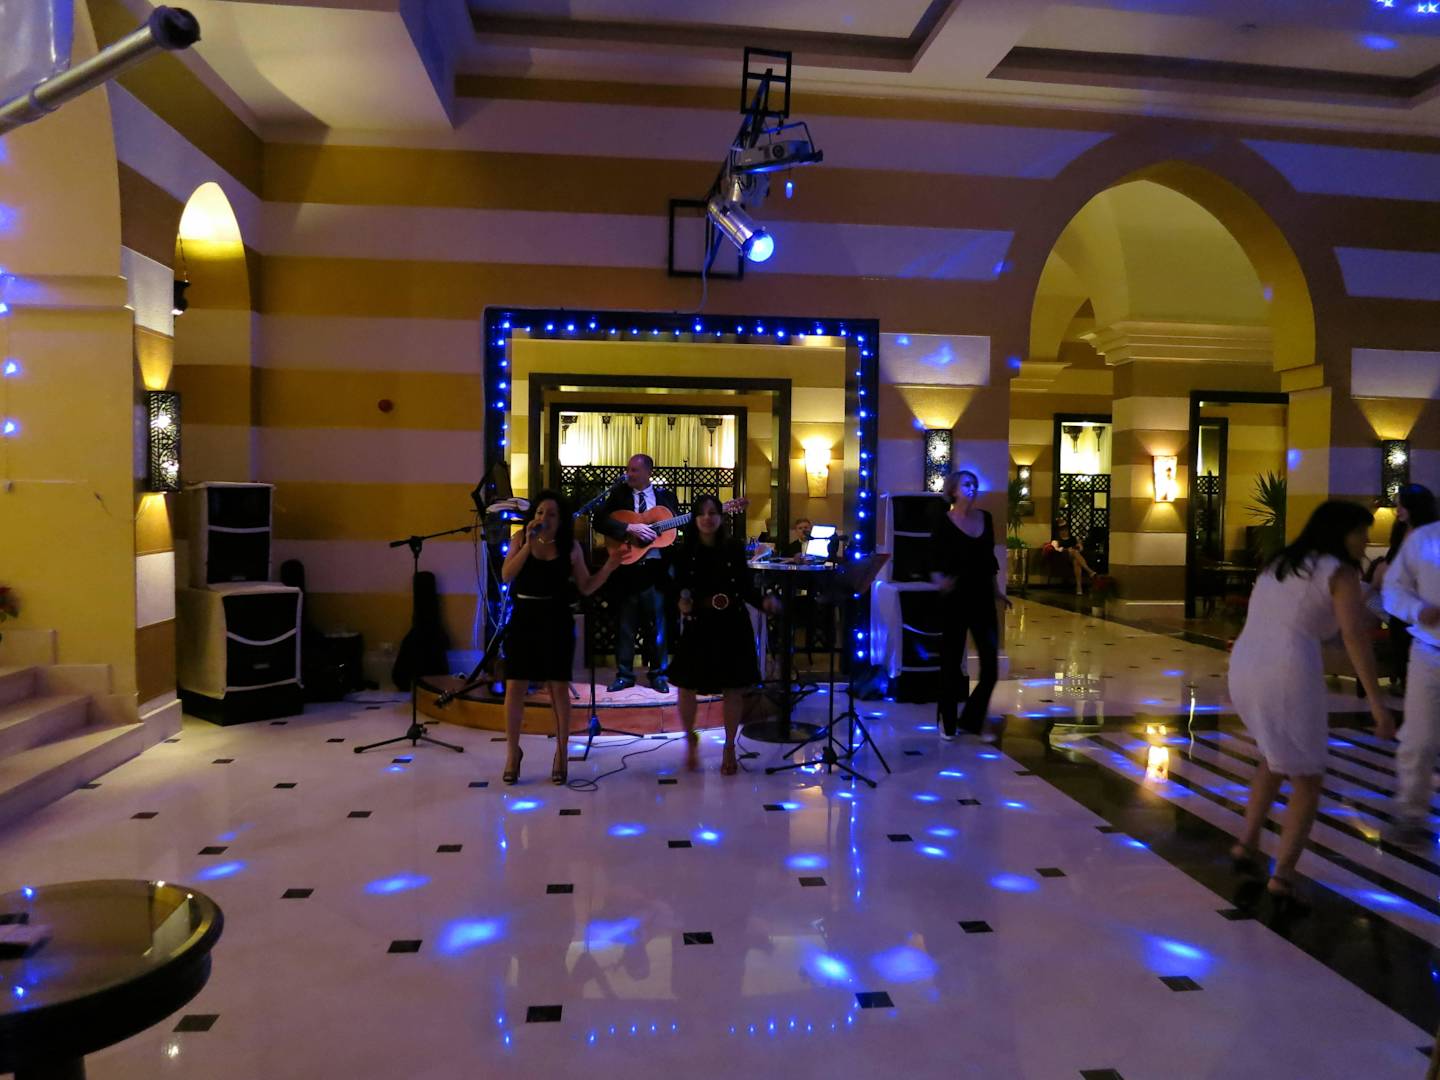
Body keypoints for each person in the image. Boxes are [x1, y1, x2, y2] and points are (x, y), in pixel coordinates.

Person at [1227, 501, 1394, 907]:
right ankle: (1282, 878)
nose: (1366, 541)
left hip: (1245, 665)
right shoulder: (1340, 571)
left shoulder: (1282, 562)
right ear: (1341, 533)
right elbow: (1354, 636)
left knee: (1273, 756)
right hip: (1288, 670)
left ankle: (1246, 844)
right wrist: (1377, 703)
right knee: (1308, 778)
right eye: (1361, 532)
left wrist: (1373, 596)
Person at [500, 490, 623, 785]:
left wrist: (609, 567)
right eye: (540, 512)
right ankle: (512, 753)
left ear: (561, 519)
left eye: (552, 514)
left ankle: (562, 751)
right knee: (515, 684)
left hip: (556, 618)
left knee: (557, 686)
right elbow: (507, 575)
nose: (544, 518)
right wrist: (528, 545)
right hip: (524, 617)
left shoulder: (571, 547)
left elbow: (586, 586)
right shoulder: (520, 539)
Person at [669, 494, 779, 775]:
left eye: (713, 513)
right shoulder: (685, 550)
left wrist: (763, 603)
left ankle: (729, 747)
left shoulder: (733, 548)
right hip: (699, 622)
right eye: (702, 513)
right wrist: (681, 601)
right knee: (686, 685)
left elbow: (745, 586)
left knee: (734, 687)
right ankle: (690, 739)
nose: (708, 518)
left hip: (732, 621)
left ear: (721, 517)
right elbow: (676, 586)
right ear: (695, 518)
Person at [930, 470, 1010, 740]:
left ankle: (970, 719)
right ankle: (947, 720)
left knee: (990, 667)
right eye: (966, 484)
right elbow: (933, 558)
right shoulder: (943, 522)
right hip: (954, 598)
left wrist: (997, 590)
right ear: (953, 490)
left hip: (982, 597)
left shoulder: (985, 518)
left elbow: (989, 559)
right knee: (951, 663)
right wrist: (938, 579)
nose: (972, 488)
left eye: (974, 484)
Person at [594, 453, 681, 693]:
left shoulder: (666, 497)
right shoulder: (618, 495)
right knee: (625, 625)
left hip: (655, 572)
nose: (629, 474)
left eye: (634, 470)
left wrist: (658, 533)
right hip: (626, 569)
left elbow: (672, 529)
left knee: (657, 627)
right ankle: (624, 675)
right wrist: (629, 527)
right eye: (628, 469)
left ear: (648, 472)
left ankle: (658, 675)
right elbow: (599, 521)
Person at [1381, 513, 1440, 846]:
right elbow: (1393, 587)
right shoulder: (1425, 539)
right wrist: (1418, 610)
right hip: (1430, 651)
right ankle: (1410, 814)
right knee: (1419, 739)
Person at [1366, 484, 1438, 686]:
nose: (1397, 510)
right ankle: (1402, 678)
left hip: (1422, 599)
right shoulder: (1400, 532)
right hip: (1402, 599)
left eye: (1402, 506)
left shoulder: (1429, 536)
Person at [1054, 519, 1095, 595]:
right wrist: (1067, 549)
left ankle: (1079, 587)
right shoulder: (1057, 540)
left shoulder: (1073, 538)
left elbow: (1081, 548)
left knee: (1076, 561)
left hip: (1075, 557)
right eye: (1062, 530)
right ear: (1059, 531)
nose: (1064, 532)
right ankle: (1089, 571)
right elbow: (1057, 549)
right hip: (1065, 557)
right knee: (1073, 552)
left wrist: (1079, 546)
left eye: (1065, 530)